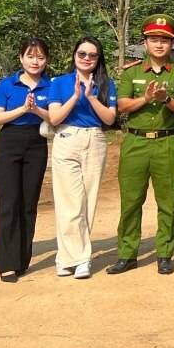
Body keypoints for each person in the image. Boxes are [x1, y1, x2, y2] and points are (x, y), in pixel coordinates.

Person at [109, 15, 174, 276]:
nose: (159, 44)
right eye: (154, 39)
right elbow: (121, 106)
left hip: (167, 141)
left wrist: (166, 100)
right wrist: (145, 98)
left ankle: (164, 253)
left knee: (168, 201)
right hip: (135, 142)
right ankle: (127, 253)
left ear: (172, 43)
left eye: (165, 40)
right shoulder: (131, 72)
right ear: (145, 43)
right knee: (131, 200)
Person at [47, 36, 118, 280]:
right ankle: (75, 258)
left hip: (95, 140)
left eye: (92, 55)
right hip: (67, 138)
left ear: (98, 59)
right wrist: (75, 96)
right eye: (82, 54)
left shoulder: (106, 83)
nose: (86, 58)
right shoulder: (59, 82)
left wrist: (90, 97)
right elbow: (54, 119)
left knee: (88, 200)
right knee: (70, 202)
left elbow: (109, 119)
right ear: (74, 55)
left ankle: (74, 258)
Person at [0, 37, 54, 282]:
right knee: (9, 203)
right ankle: (6, 262)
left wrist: (37, 110)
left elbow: (55, 118)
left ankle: (22, 258)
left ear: (46, 60)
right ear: (21, 58)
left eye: (40, 57)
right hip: (10, 141)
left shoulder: (50, 86)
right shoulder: (7, 84)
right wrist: (24, 110)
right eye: (30, 56)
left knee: (28, 204)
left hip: (37, 143)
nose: (35, 61)